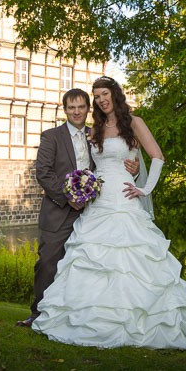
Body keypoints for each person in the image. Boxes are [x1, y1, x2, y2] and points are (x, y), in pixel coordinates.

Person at [31, 76, 186, 349]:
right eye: (97, 96)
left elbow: (158, 156)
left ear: (115, 94)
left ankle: (141, 320)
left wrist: (144, 186)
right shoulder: (96, 129)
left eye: (105, 94)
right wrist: (83, 187)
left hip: (125, 199)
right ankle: (91, 318)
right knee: (92, 260)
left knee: (133, 262)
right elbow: (89, 163)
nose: (102, 100)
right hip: (98, 204)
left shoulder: (135, 123)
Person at [17, 88, 138, 328]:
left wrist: (131, 169)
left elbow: (109, 164)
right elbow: (43, 172)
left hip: (93, 212)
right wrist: (67, 196)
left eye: (81, 107)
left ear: (87, 109)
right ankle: (38, 314)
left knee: (85, 265)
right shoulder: (51, 136)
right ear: (65, 110)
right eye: (71, 107)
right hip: (58, 211)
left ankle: (75, 316)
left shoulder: (98, 135)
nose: (76, 112)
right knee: (48, 263)